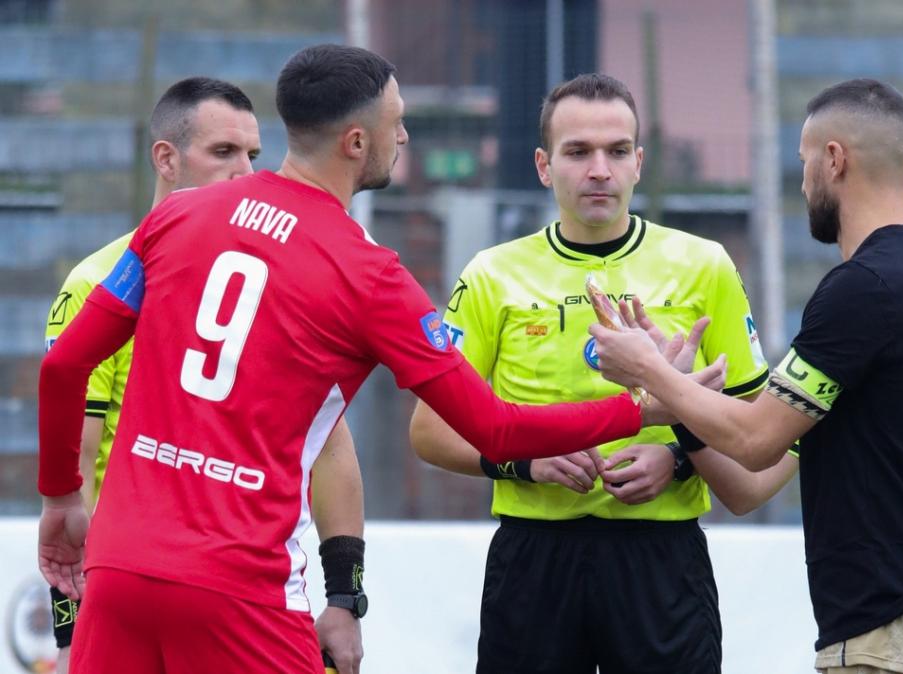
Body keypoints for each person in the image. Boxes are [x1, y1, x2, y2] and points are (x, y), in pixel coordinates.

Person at [37, 46, 682, 673]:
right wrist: (641, 405)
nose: (403, 136)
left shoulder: (175, 217)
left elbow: (62, 368)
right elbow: (495, 428)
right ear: (355, 142)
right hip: (241, 589)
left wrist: (61, 498)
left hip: (117, 574)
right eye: (395, 122)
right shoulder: (370, 274)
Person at [591, 78, 903, 674]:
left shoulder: (861, 291)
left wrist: (649, 372)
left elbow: (754, 441)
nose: (801, 184)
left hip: (887, 638)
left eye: (802, 164)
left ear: (833, 160)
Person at [409, 72, 794, 673]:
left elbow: (758, 429)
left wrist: (679, 459)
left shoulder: (704, 266)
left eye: (617, 152)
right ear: (543, 165)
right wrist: (524, 461)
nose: (599, 170)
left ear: (639, 163)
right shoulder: (492, 273)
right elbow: (429, 431)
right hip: (535, 557)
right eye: (578, 152)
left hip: (660, 559)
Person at [42, 76, 369, 674]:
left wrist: (345, 597)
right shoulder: (100, 280)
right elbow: (77, 463)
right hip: (132, 585)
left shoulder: (283, 271)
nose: (245, 171)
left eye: (253, 155)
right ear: (166, 158)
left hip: (248, 582)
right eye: (223, 153)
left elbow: (328, 442)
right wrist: (70, 627)